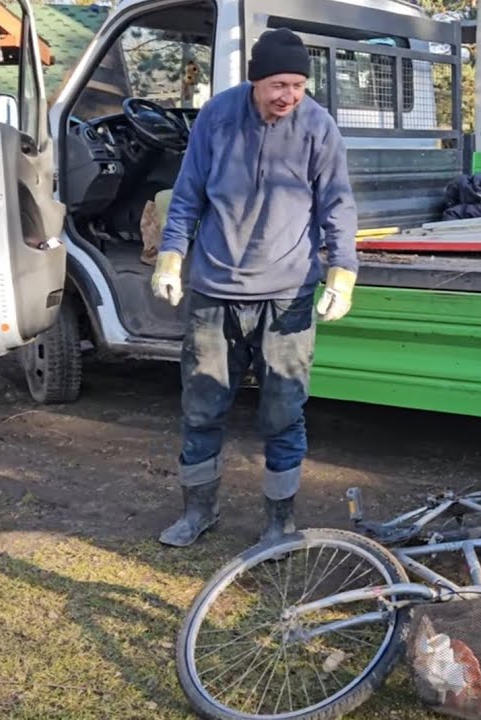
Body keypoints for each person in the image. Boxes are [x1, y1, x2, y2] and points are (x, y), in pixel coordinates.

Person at [150, 28, 360, 548]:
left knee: (284, 412)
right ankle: (198, 512)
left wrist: (343, 273)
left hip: (287, 294)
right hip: (214, 290)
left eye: (297, 84)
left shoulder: (318, 127)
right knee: (202, 409)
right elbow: (188, 196)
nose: (289, 95)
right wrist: (170, 258)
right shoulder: (217, 120)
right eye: (278, 84)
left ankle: (279, 524)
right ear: (254, 82)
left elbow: (337, 204)